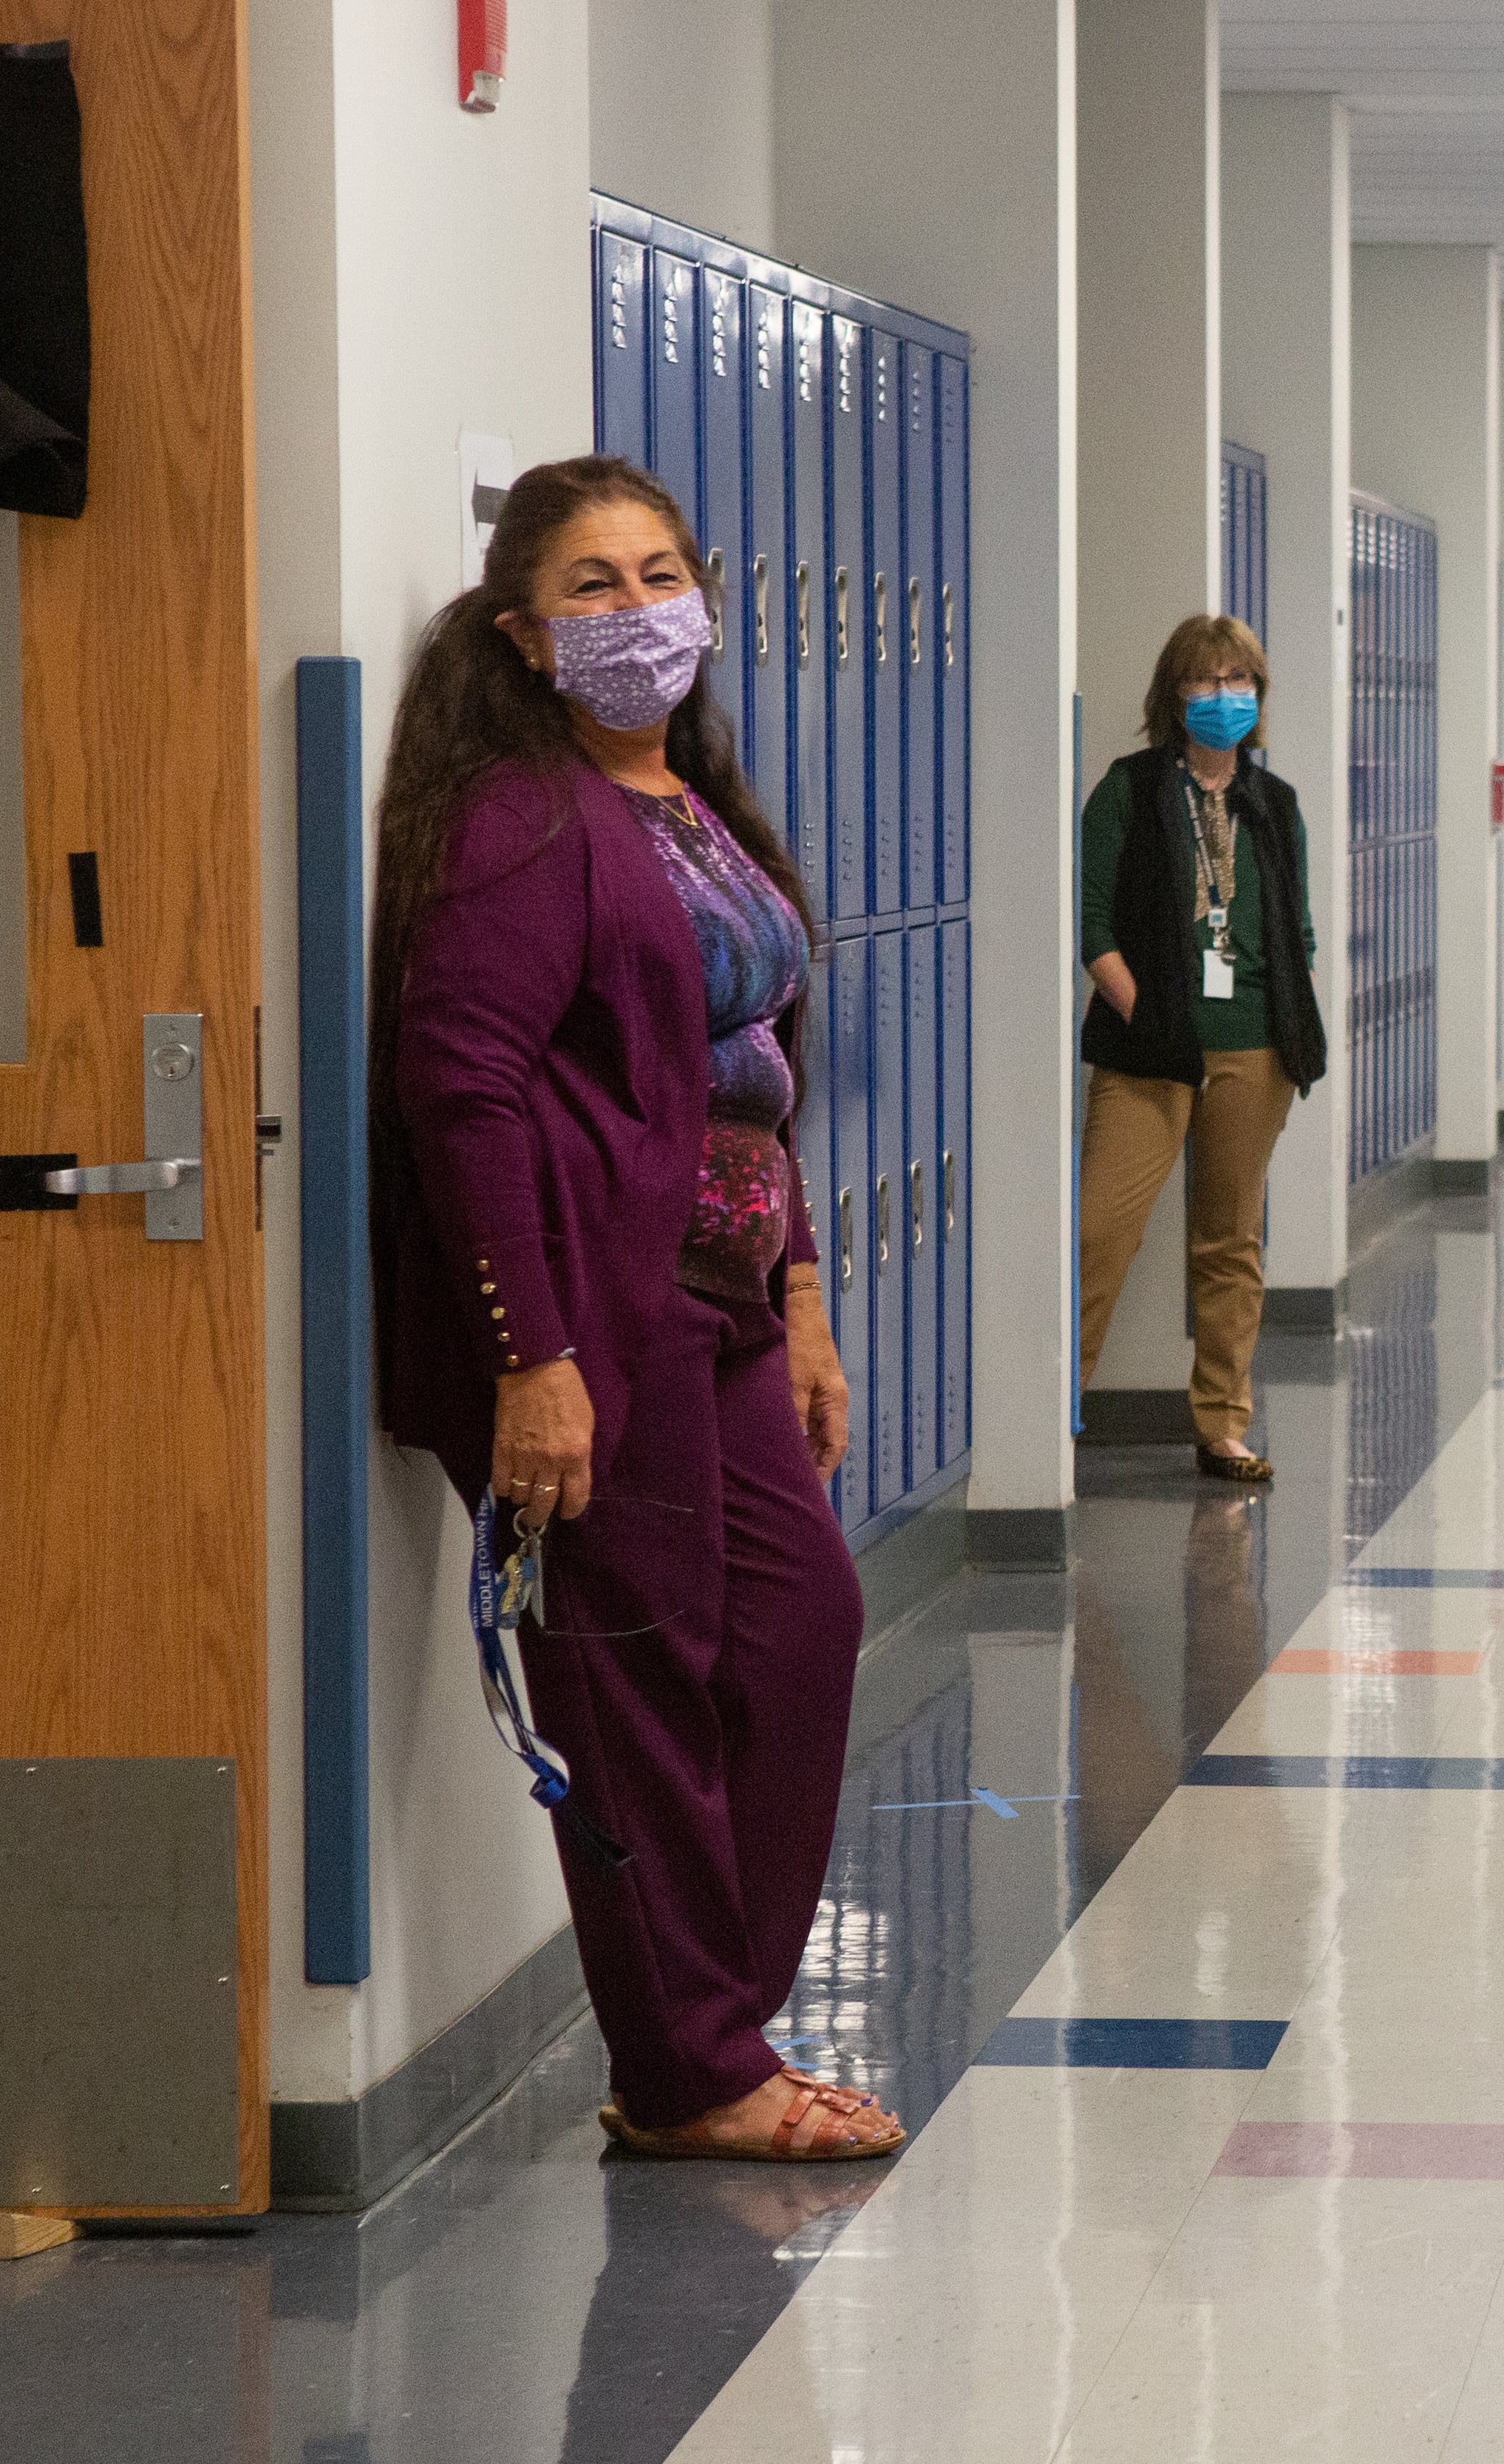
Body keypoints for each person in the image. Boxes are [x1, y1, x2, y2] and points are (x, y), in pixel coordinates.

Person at [372, 454, 897, 2162]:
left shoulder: (691, 809)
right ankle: (691, 2071)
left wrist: (805, 1302)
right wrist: (533, 1360)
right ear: (524, 633)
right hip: (600, 1322)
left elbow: (755, 1079)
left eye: (660, 571)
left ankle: (703, 2034)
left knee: (801, 1626)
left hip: (726, 1315)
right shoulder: (525, 820)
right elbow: (467, 1092)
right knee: (635, 1685)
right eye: (593, 584)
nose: (637, 608)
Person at [1076, 613, 1332, 1483]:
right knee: (1100, 1235)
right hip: (1150, 1049)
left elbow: (1293, 927)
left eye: (1237, 681)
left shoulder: (1274, 803)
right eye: (1205, 680)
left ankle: (1222, 1424)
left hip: (1255, 1048)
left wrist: (1287, 1019)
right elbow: (1093, 923)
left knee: (1230, 1243)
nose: (1223, 697)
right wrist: (1146, 1013)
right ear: (1172, 693)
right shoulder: (1130, 789)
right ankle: (1053, 1413)